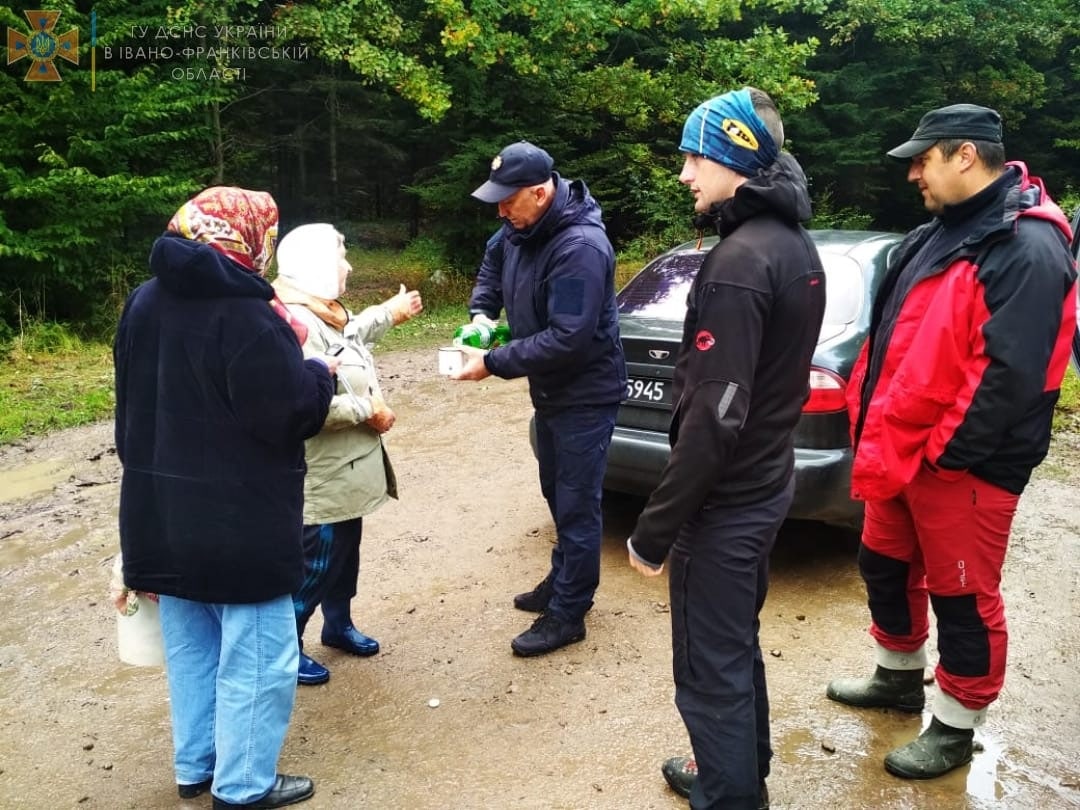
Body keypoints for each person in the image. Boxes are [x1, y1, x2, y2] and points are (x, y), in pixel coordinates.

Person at [825, 104, 1077, 779]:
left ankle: (957, 725)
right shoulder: (936, 233)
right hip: (903, 452)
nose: (913, 173)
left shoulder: (1028, 244)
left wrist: (943, 453)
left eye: (923, 158)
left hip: (964, 463)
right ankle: (898, 678)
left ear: (966, 154)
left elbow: (1011, 374)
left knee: (962, 597)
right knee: (883, 565)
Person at [626, 87, 826, 810]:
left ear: (734, 158)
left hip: (729, 502)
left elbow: (715, 415)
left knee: (708, 666)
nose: (684, 174)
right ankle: (742, 767)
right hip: (767, 482)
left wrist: (655, 531)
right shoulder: (791, 243)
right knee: (733, 640)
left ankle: (732, 792)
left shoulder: (741, 261)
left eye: (693, 156)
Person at [114, 187, 338, 808]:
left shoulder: (143, 302)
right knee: (259, 660)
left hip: (161, 510)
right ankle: (242, 787)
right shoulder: (249, 313)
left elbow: (127, 413)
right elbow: (288, 415)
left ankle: (196, 765)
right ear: (248, 239)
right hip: (240, 523)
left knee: (191, 650)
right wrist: (320, 374)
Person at [453, 140, 627, 657]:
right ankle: (564, 579)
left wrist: (494, 362)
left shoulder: (580, 247)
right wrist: (482, 312)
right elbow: (492, 260)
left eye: (509, 200)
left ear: (540, 191)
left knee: (577, 503)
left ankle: (570, 612)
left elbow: (567, 337)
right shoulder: (520, 227)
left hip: (586, 393)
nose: (501, 211)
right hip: (551, 390)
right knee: (556, 490)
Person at [272, 223, 423, 685]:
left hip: (348, 475)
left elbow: (348, 339)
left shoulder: (321, 311)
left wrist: (388, 314)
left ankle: (338, 625)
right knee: (314, 565)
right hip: (322, 477)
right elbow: (298, 403)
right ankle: (287, 648)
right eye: (341, 257)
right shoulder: (289, 322)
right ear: (316, 265)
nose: (349, 265)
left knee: (345, 559)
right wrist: (367, 409)